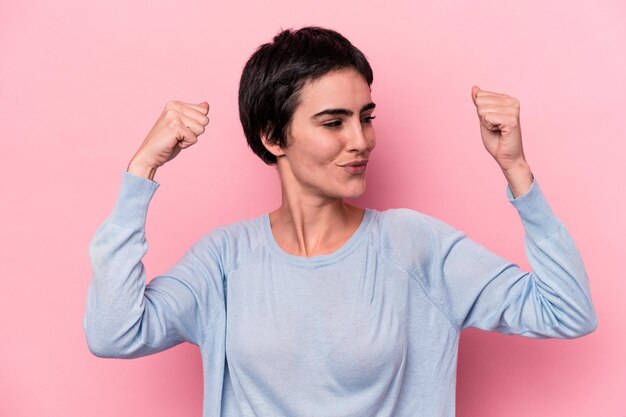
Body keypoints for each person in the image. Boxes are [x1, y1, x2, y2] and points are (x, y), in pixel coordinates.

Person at [84, 26, 597, 417]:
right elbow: (114, 333)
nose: (361, 140)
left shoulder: (412, 245)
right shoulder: (224, 260)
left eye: (366, 116)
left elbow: (567, 311)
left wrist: (516, 169)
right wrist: (141, 171)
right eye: (334, 122)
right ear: (273, 137)